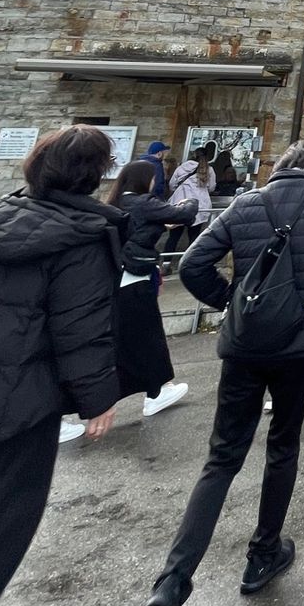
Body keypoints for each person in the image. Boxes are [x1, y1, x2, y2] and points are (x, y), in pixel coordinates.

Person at [131, 143, 304, 606]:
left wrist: (232, 303)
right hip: (297, 345)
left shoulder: (247, 204)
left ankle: (171, 584)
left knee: (221, 460)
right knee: (283, 443)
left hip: (244, 345)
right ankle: (262, 556)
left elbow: (193, 264)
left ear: (278, 168)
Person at [0, 126, 121, 606]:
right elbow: (80, 324)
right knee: (9, 515)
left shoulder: (3, 215)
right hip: (21, 402)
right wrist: (97, 400)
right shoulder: (81, 234)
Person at [106, 160, 196, 418]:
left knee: (125, 341)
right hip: (135, 279)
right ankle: (156, 392)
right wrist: (185, 203)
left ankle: (151, 390)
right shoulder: (143, 203)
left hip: (119, 277)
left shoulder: (114, 203)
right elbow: (187, 214)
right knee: (148, 337)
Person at [162, 143, 214, 257]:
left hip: (180, 204)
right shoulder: (209, 169)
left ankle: (165, 263)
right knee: (194, 237)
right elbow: (212, 187)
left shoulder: (182, 167)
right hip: (199, 206)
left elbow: (172, 185)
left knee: (174, 237)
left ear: (194, 155)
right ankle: (190, 262)